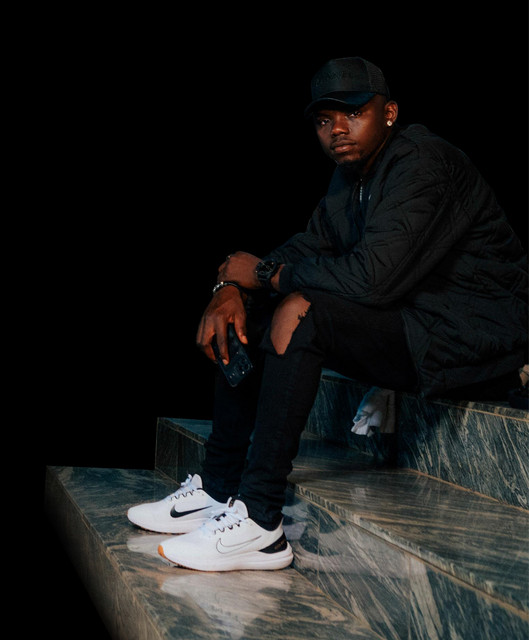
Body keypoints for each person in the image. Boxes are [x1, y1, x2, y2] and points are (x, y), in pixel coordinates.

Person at [128, 57, 528, 571]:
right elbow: (307, 248)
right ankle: (219, 488)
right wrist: (231, 287)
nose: (337, 129)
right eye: (324, 119)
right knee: (252, 311)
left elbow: (372, 278)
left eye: (353, 113)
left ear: (389, 113)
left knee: (303, 312)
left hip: (473, 339)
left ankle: (261, 524)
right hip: (416, 325)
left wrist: (265, 275)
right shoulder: (350, 178)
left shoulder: (425, 162)